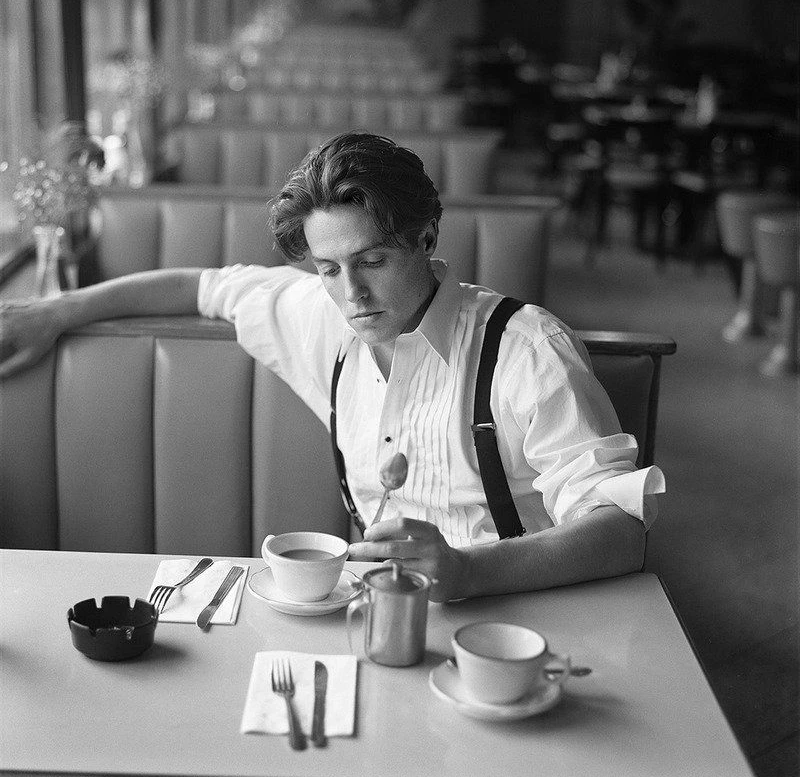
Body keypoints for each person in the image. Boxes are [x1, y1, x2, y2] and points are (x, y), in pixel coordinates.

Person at [0, 132, 664, 601]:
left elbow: (621, 532)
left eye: (373, 261)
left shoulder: (527, 350)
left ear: (426, 238)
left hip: (526, 618)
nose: (353, 294)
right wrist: (58, 311)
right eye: (328, 269)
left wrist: (468, 572)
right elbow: (200, 287)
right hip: (377, 613)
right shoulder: (321, 317)